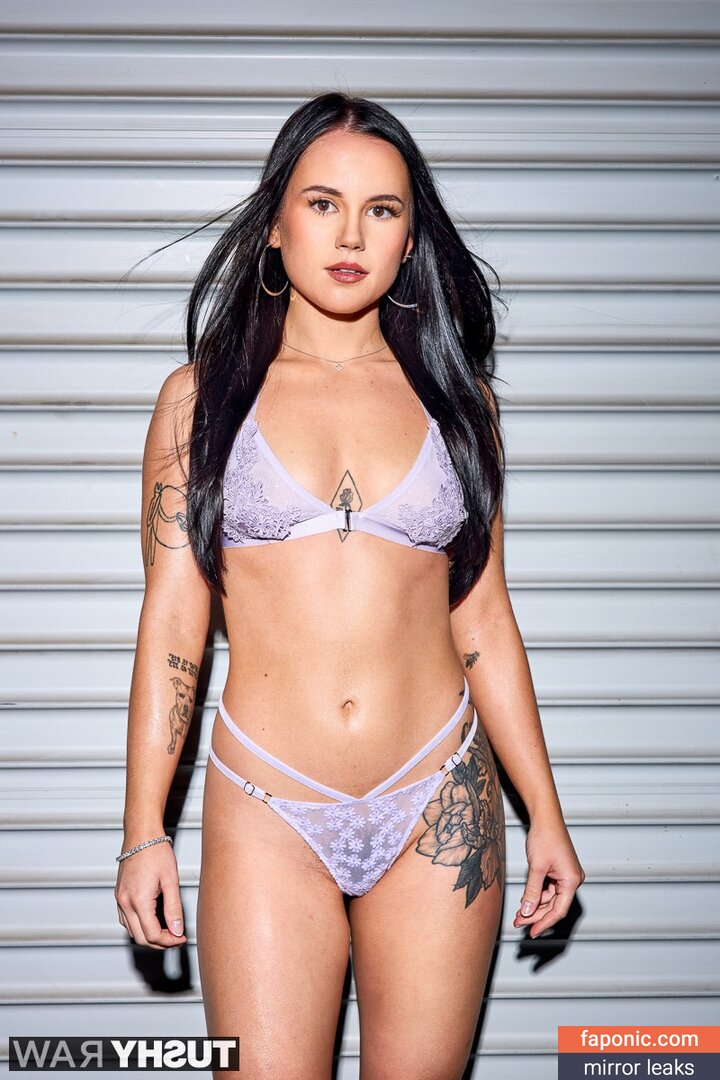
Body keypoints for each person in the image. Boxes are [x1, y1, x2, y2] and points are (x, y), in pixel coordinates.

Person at [115, 92, 585, 1080]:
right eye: (323, 203)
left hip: (440, 798)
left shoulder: (460, 403)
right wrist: (142, 830)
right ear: (275, 222)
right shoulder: (200, 400)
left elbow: (484, 617)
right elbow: (174, 620)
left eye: (382, 210)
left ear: (410, 240)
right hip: (266, 802)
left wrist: (546, 812)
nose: (351, 235)